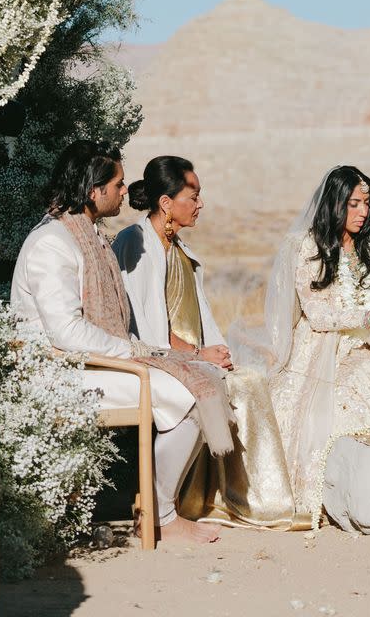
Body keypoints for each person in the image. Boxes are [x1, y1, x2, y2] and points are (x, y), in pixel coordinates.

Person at [11, 140, 233, 545]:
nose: (123, 192)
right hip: (61, 372)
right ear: (94, 191)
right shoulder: (52, 243)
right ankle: (160, 515)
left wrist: (146, 353)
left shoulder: (89, 237)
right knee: (188, 393)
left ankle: (159, 510)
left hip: (94, 362)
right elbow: (66, 332)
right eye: (116, 184)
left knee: (198, 380)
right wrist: (136, 352)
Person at [113, 156, 294, 528]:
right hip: (154, 359)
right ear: (166, 203)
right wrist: (199, 355)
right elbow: (145, 330)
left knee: (251, 380)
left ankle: (245, 500)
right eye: (192, 195)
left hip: (187, 356)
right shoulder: (137, 242)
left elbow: (199, 314)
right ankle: (166, 506)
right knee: (220, 391)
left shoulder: (178, 247)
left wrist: (218, 352)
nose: (200, 204)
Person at [248, 165, 370, 511]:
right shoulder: (306, 247)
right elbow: (318, 314)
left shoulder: (367, 249)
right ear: (335, 202)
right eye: (354, 203)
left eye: (367, 203)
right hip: (325, 349)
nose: (363, 212)